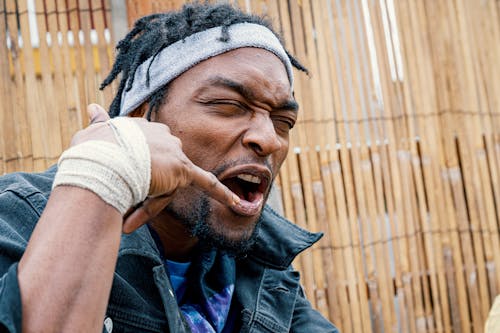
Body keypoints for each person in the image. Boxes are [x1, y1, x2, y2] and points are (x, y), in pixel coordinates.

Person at [0, 2, 339, 332]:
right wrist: (100, 171)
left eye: (283, 121)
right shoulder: (20, 221)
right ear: (139, 118)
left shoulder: (259, 261)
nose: (270, 140)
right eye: (228, 105)